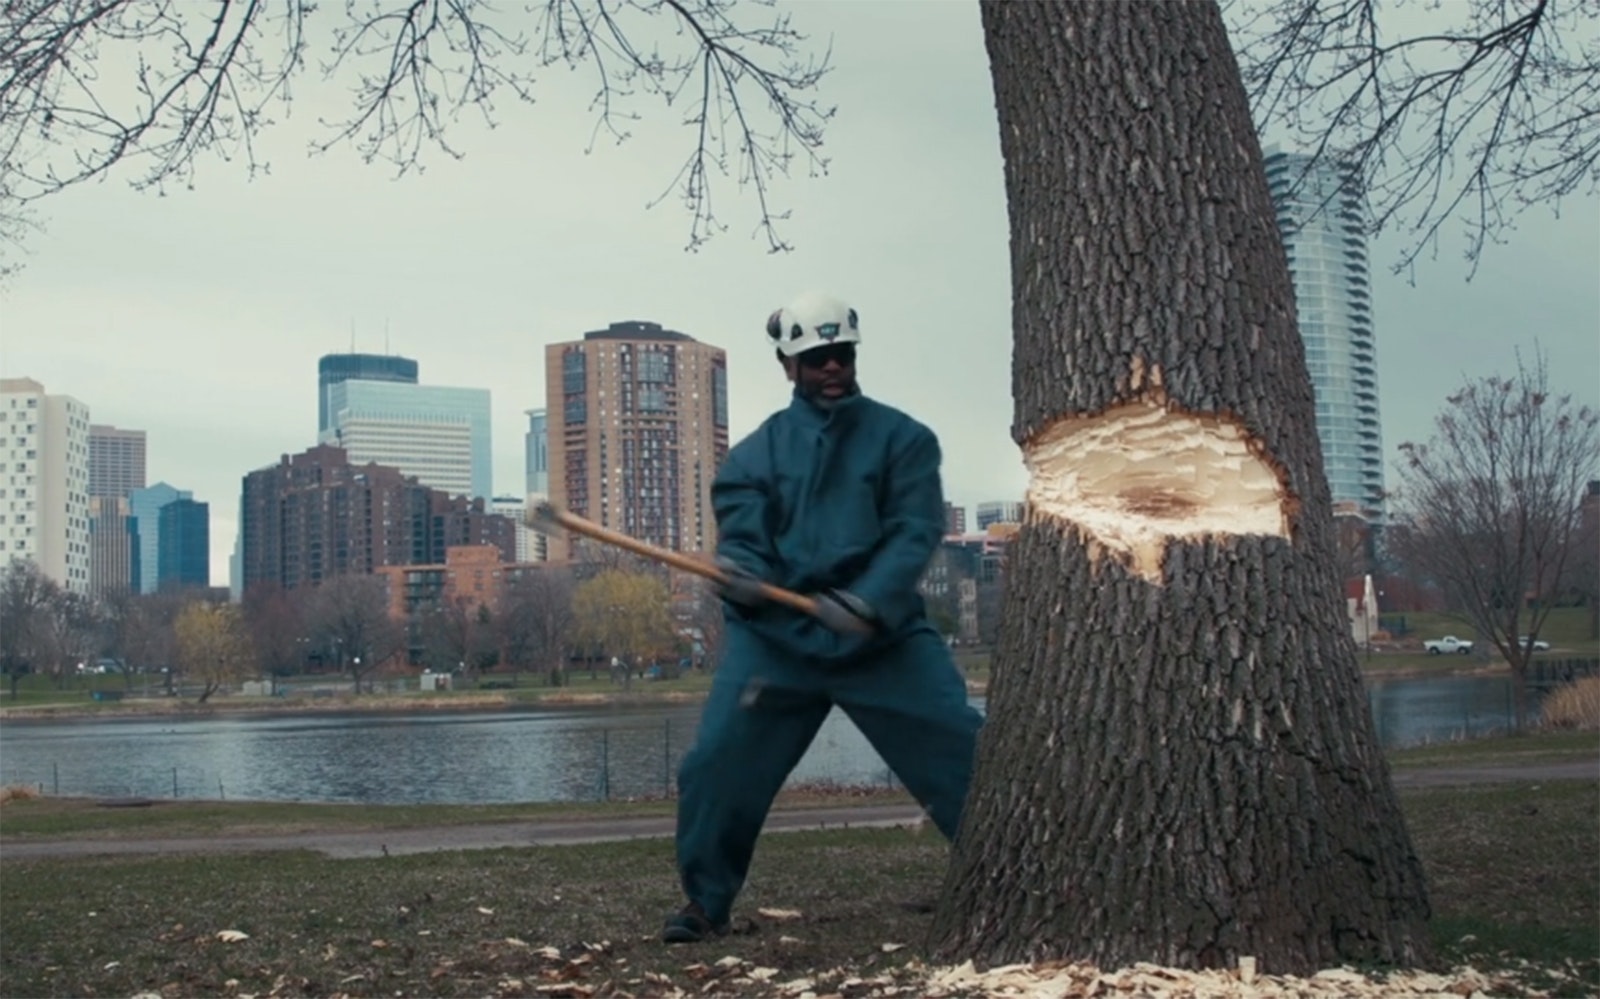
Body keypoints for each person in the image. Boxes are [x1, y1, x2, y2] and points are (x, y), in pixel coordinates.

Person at [662, 292, 985, 943]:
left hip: (884, 638)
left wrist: (868, 601)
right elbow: (743, 537)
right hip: (776, 645)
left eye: (841, 354)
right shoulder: (752, 457)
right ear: (789, 365)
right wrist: (746, 578)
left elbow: (914, 531)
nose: (831, 366)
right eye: (816, 358)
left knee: (964, 750)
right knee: (716, 765)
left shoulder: (906, 439)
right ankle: (706, 902)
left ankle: (1011, 875)